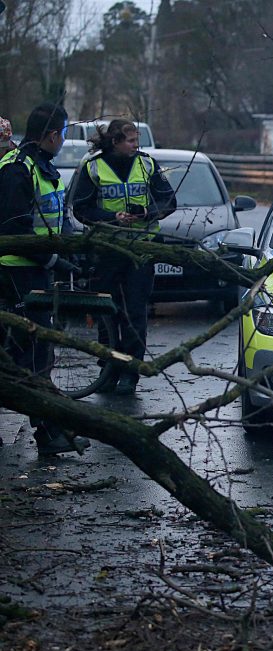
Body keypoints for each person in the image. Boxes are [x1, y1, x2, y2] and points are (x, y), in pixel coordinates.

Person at [0, 102, 91, 456]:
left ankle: (52, 431)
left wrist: (68, 253)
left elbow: (54, 217)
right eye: (64, 133)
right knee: (35, 357)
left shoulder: (42, 168)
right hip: (15, 272)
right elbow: (14, 229)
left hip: (34, 269)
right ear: (52, 135)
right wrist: (54, 258)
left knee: (23, 354)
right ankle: (50, 433)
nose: (64, 139)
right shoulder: (17, 170)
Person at [71, 119, 176, 395]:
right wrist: (111, 218)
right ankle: (108, 368)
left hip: (141, 248)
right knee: (107, 312)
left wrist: (147, 213)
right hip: (107, 250)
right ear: (115, 141)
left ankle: (131, 372)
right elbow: (81, 209)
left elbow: (169, 200)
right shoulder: (93, 167)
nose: (136, 145)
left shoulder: (147, 164)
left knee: (135, 312)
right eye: (131, 140)